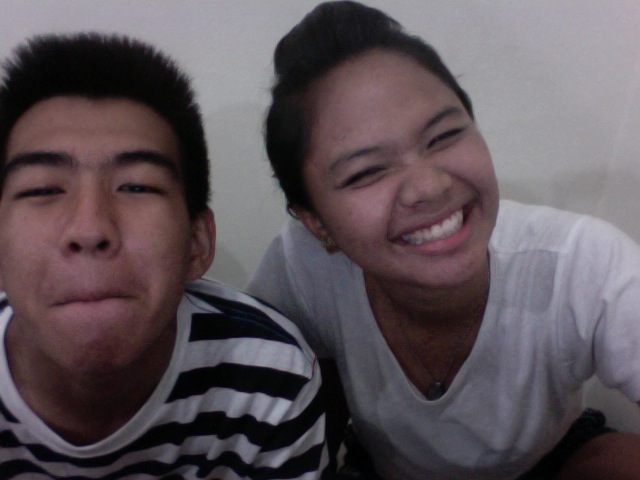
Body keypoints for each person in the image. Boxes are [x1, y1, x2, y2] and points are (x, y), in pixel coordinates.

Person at [247, 1, 640, 479]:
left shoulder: (580, 262)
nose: (429, 187)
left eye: (443, 136)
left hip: (549, 460)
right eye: (366, 171)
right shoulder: (301, 266)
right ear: (315, 223)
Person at [0, 32, 328, 479]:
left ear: (197, 241)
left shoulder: (269, 379)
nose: (90, 229)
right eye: (42, 190)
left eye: (137, 186)